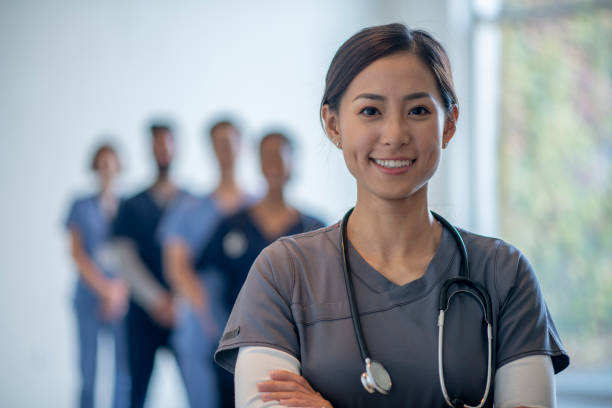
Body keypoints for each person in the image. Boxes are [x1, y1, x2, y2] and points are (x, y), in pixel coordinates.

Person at [213, 24, 570, 407]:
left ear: (448, 124)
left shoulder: (504, 274)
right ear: (334, 125)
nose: (395, 133)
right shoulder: (283, 274)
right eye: (370, 111)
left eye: (418, 110)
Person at [194, 131, 325, 407]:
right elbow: (206, 278)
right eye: (267, 157)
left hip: (299, 351)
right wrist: (210, 324)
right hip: (237, 347)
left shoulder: (314, 229)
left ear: (294, 165)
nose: (274, 164)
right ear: (258, 164)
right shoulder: (232, 224)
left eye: (281, 157)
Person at [158, 119, 253, 408]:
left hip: (251, 313)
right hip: (203, 318)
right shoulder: (190, 208)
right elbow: (175, 266)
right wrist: (208, 315)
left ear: (242, 146)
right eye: (218, 143)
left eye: (230, 141)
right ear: (210, 149)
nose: (225, 149)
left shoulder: (258, 208)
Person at [110, 123, 190, 408]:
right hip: (143, 314)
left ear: (176, 149)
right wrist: (158, 300)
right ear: (150, 150)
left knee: (199, 392)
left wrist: (179, 301)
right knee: (136, 394)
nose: (164, 150)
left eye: (168, 144)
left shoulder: (192, 202)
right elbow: (123, 259)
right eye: (158, 145)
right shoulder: (131, 205)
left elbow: (198, 260)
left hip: (184, 315)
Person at [65, 143, 130, 408]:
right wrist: (105, 290)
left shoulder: (127, 207)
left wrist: (118, 292)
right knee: (88, 372)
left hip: (121, 299)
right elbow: (77, 254)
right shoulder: (80, 205)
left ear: (118, 166)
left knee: (123, 372)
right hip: (88, 298)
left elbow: (132, 255)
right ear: (95, 166)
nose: (106, 168)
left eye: (111, 162)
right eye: (102, 162)